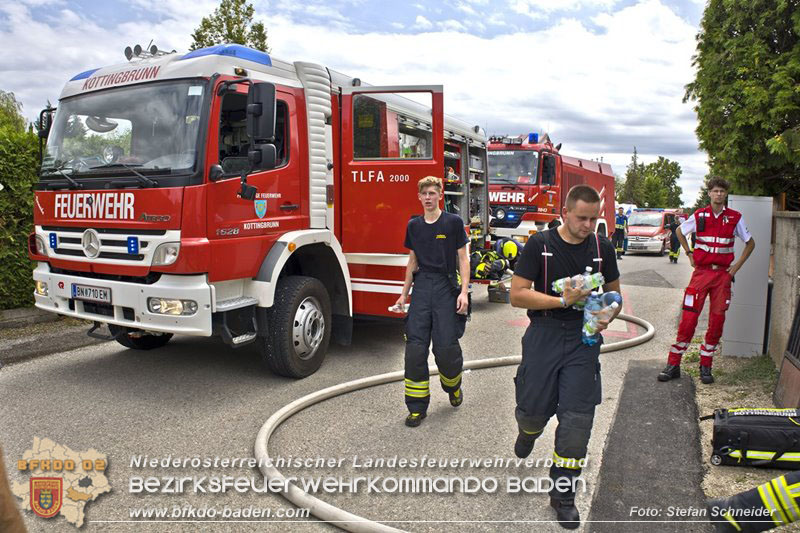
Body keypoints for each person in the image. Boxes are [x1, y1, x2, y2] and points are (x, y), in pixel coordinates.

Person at [509, 185, 621, 529]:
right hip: (544, 334)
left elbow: (615, 293)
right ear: (564, 214)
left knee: (577, 421)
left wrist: (607, 313)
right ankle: (528, 430)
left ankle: (563, 495)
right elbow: (516, 295)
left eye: (594, 218)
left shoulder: (603, 247)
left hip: (583, 340)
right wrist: (562, 301)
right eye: (582, 218)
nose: (589, 225)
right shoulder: (539, 246)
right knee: (532, 411)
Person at [658, 177, 755, 384]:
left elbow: (750, 243)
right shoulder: (699, 215)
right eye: (715, 191)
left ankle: (706, 367)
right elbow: (678, 231)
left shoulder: (735, 217)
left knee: (717, 320)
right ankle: (674, 364)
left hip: (722, 276)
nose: (718, 194)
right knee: (689, 319)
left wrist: (735, 268)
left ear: (726, 194)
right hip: (701, 274)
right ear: (709, 193)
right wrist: (689, 253)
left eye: (722, 191)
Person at [394, 176, 470, 428]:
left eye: (432, 193)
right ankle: (416, 407)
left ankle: (453, 386)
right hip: (422, 287)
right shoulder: (414, 226)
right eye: (423, 193)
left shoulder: (453, 223)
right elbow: (412, 261)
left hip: (446, 287)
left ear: (440, 195)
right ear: (419, 196)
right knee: (415, 349)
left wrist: (463, 292)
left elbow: (463, 259)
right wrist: (404, 294)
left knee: (446, 348)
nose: (428, 197)